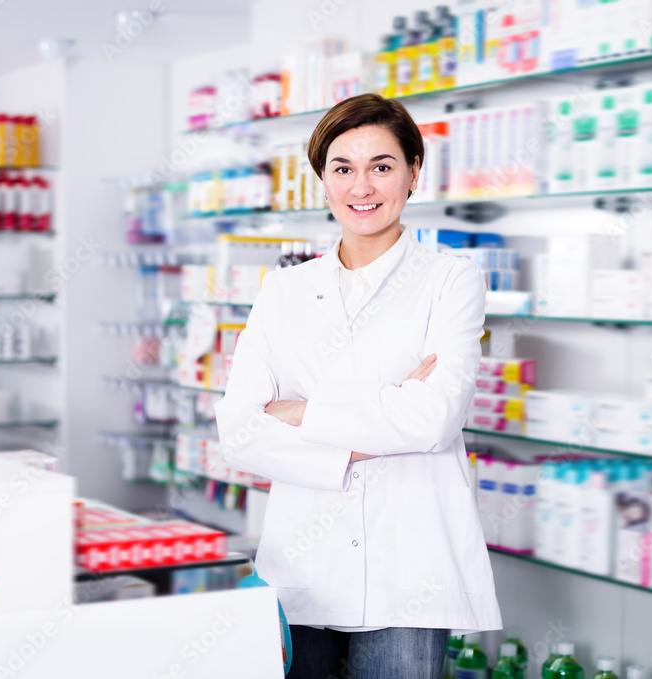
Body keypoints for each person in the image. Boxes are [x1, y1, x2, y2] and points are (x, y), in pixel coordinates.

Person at [214, 93, 502, 679]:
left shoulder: (450, 280)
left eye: (382, 166)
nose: (361, 187)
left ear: (413, 172)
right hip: (300, 565)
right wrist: (387, 410)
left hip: (410, 572)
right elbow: (240, 432)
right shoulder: (283, 290)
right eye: (343, 168)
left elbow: (433, 420)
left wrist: (298, 412)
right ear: (323, 179)